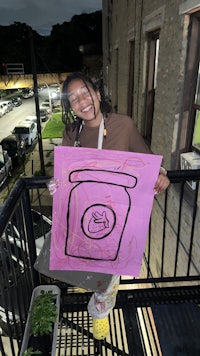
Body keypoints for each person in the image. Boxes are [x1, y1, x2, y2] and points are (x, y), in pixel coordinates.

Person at [48, 72, 170, 340]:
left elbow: (146, 158)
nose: (82, 101)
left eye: (85, 92)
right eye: (74, 99)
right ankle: (94, 292)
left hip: (119, 217)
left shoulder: (123, 125)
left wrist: (160, 173)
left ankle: (100, 312)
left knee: (109, 274)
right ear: (71, 108)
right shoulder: (72, 133)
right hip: (84, 215)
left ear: (98, 93)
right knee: (85, 262)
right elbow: (62, 177)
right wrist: (54, 186)